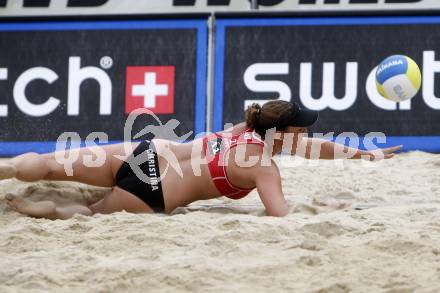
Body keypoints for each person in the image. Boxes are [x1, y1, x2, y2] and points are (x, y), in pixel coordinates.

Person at [1, 100, 401, 219]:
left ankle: (10, 168)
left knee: (50, 162)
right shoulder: (264, 166)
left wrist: (363, 154)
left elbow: (317, 148)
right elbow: (282, 214)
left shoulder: (242, 128)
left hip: (144, 153)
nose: (308, 136)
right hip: (156, 193)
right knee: (89, 212)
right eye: (302, 130)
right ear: (285, 134)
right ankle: (43, 210)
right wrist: (325, 209)